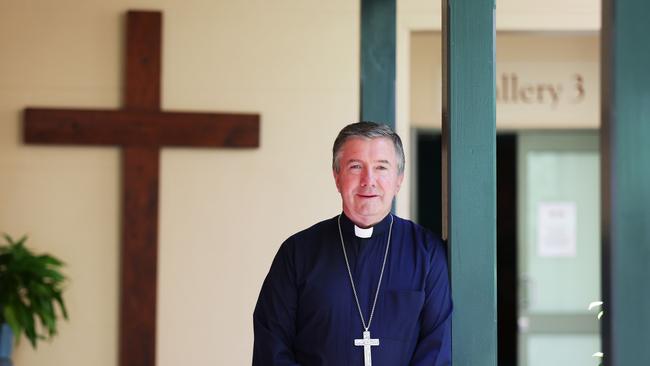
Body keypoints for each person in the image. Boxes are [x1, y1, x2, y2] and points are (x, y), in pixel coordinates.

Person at [253, 122, 452, 366]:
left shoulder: (428, 253)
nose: (369, 180)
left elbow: (437, 348)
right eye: (356, 166)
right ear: (337, 177)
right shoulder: (297, 253)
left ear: (399, 179)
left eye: (381, 167)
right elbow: (272, 346)